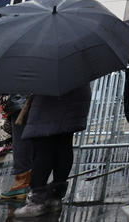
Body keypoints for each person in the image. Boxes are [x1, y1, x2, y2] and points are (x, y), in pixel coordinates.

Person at [12, 83, 92, 217]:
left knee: (43, 149)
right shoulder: (80, 63)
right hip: (77, 95)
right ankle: (55, 198)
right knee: (64, 145)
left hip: (50, 99)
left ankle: (37, 201)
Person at [0, 96, 35, 202]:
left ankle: (21, 184)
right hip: (33, 102)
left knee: (21, 142)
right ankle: (29, 184)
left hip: (22, 102)